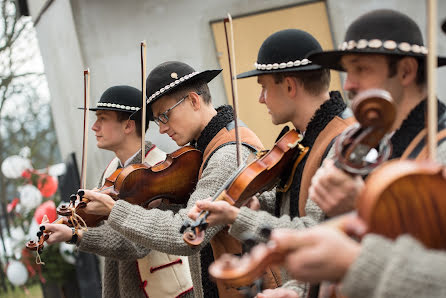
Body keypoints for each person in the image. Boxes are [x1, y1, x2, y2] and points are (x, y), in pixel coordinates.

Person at [265, 9, 446, 298]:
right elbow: (346, 243)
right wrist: (299, 290)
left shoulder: (440, 151)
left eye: (361, 69)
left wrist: (364, 207)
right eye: (347, 71)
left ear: (406, 71)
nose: (347, 84)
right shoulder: (370, 145)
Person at [77, 61, 277, 298]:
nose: (161, 129)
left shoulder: (228, 155)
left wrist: (115, 210)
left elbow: (185, 234)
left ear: (193, 101)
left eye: (164, 116)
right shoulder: (203, 151)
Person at [187, 29, 354, 298]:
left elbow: (315, 232)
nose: (261, 98)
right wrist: (258, 202)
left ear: (289, 86)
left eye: (264, 87)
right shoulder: (304, 139)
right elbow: (297, 204)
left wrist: (238, 217)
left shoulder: (341, 145)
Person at [43, 85, 194, 298]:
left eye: (103, 118)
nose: (94, 127)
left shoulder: (161, 171)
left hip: (167, 292)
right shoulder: (112, 170)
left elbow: (137, 244)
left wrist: (75, 235)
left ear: (128, 126)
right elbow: (104, 229)